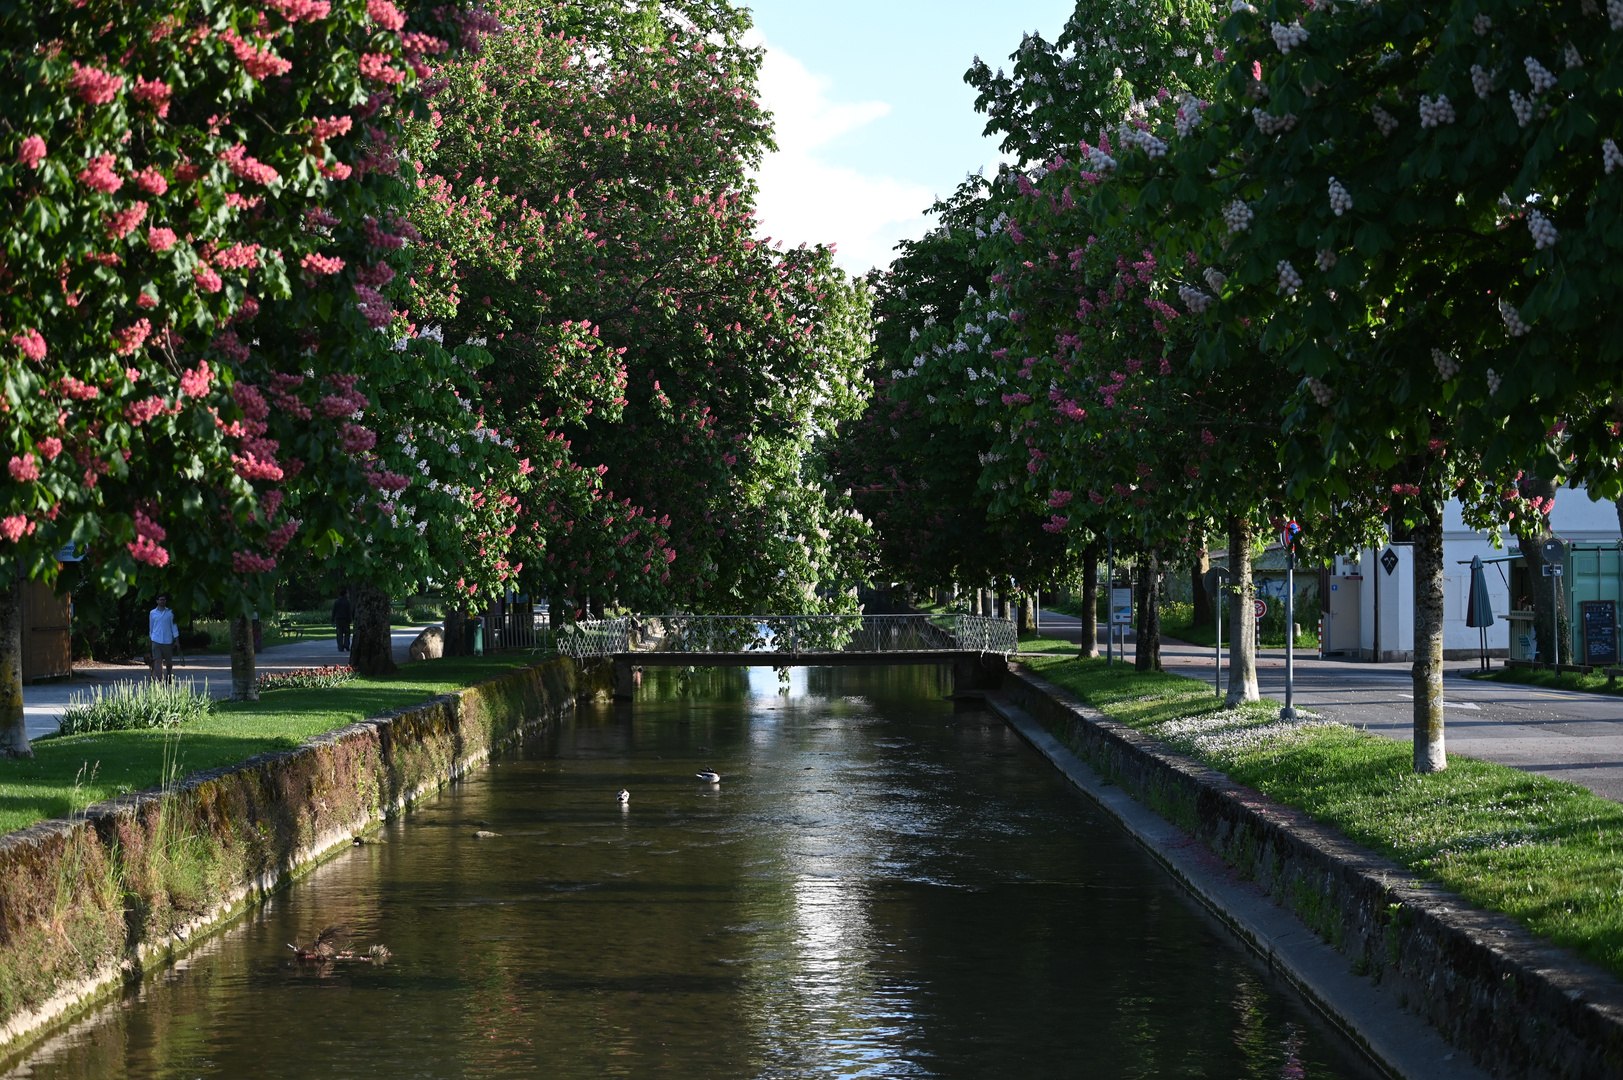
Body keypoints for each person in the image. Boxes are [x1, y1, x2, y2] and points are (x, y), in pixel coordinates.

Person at [149, 594, 178, 684]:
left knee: (168, 661)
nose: (162, 601)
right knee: (157, 659)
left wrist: (177, 640)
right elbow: (151, 626)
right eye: (161, 600)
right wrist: (151, 637)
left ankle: (168, 674)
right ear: (157, 601)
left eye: (164, 600)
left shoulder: (170, 612)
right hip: (156, 639)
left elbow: (174, 626)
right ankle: (159, 679)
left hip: (167, 640)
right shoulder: (152, 613)